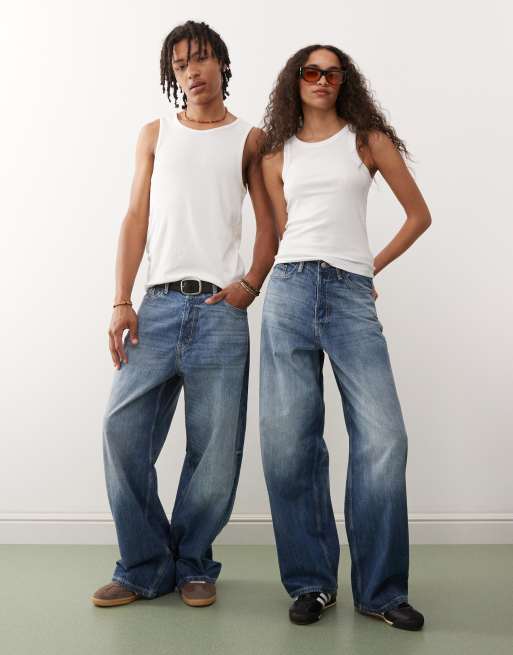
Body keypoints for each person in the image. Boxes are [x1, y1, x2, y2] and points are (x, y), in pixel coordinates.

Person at [91, 20, 276, 608]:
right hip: (157, 307)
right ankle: (145, 566)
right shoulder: (155, 134)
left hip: (220, 311)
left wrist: (251, 283)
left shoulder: (251, 138)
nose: (191, 72)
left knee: (215, 452)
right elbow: (135, 218)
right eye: (179, 65)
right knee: (121, 433)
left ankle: (194, 563)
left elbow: (271, 222)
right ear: (172, 76)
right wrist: (121, 299)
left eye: (200, 59)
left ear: (221, 62)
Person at [258, 44, 431, 630]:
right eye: (311, 71)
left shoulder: (367, 140)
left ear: (344, 81)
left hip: (351, 294)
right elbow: (284, 231)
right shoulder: (276, 153)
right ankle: (311, 583)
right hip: (288, 290)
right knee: (290, 444)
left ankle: (380, 592)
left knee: (384, 438)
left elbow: (419, 215)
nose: (322, 80)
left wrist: (367, 267)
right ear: (295, 80)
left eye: (333, 73)